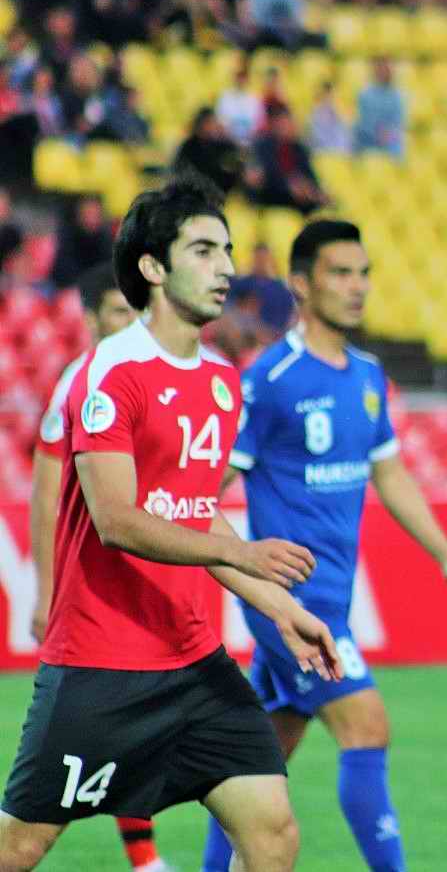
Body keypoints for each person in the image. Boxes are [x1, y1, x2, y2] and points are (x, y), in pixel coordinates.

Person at [0, 174, 343, 872]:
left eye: (228, 251)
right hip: (101, 665)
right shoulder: (110, 373)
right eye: (204, 251)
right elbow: (118, 521)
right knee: (21, 847)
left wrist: (280, 608)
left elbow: (195, 511)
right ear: (154, 268)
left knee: (273, 831)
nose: (226, 269)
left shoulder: (220, 381)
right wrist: (248, 558)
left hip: (192, 661)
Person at [201, 219, 447, 872]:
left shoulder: (366, 374)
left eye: (363, 273)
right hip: (291, 605)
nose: (357, 287)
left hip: (332, 598)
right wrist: (245, 563)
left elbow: (389, 472)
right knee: (367, 726)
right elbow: (203, 489)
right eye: (340, 273)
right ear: (301, 285)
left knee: (259, 762)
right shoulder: (271, 378)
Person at [27, 264, 172, 872]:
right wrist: (44, 590)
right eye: (116, 311)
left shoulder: (140, 379)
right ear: (89, 319)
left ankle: (145, 858)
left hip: (140, 581)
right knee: (92, 732)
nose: (129, 322)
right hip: (92, 591)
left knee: (129, 725)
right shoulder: (79, 383)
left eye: (133, 310)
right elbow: (46, 489)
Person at [246, 106, 328, 214]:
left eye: (291, 123)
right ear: (275, 125)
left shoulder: (299, 148)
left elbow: (309, 173)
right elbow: (267, 174)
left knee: (322, 203)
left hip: (299, 198)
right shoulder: (263, 145)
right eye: (286, 123)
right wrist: (290, 186)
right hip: (272, 196)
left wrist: (313, 190)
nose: (291, 127)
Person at [174, 106, 246, 195]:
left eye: (213, 123)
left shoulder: (220, 144)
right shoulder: (189, 146)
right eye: (209, 123)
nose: (213, 126)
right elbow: (181, 172)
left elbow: (237, 159)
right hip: (194, 191)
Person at [52, 194, 114, 290]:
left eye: (95, 215)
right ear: (78, 215)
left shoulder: (106, 241)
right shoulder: (66, 239)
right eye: (87, 214)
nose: (91, 219)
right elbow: (63, 273)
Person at [352, 57, 406, 159]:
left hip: (390, 144)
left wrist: (389, 133)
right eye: (382, 68)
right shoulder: (365, 95)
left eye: (388, 68)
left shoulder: (398, 96)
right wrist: (378, 133)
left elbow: (399, 122)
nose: (386, 71)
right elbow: (363, 123)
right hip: (367, 143)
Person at [217, 64, 263, 147]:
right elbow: (220, 121)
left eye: (243, 77)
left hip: (250, 142)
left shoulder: (254, 98)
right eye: (239, 77)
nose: (241, 80)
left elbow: (259, 121)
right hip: (228, 142)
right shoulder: (225, 97)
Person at [307, 79, 351, 153]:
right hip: (321, 148)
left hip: (338, 149)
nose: (327, 97)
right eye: (325, 94)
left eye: (330, 94)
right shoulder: (315, 112)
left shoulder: (338, 110)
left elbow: (344, 135)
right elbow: (314, 136)